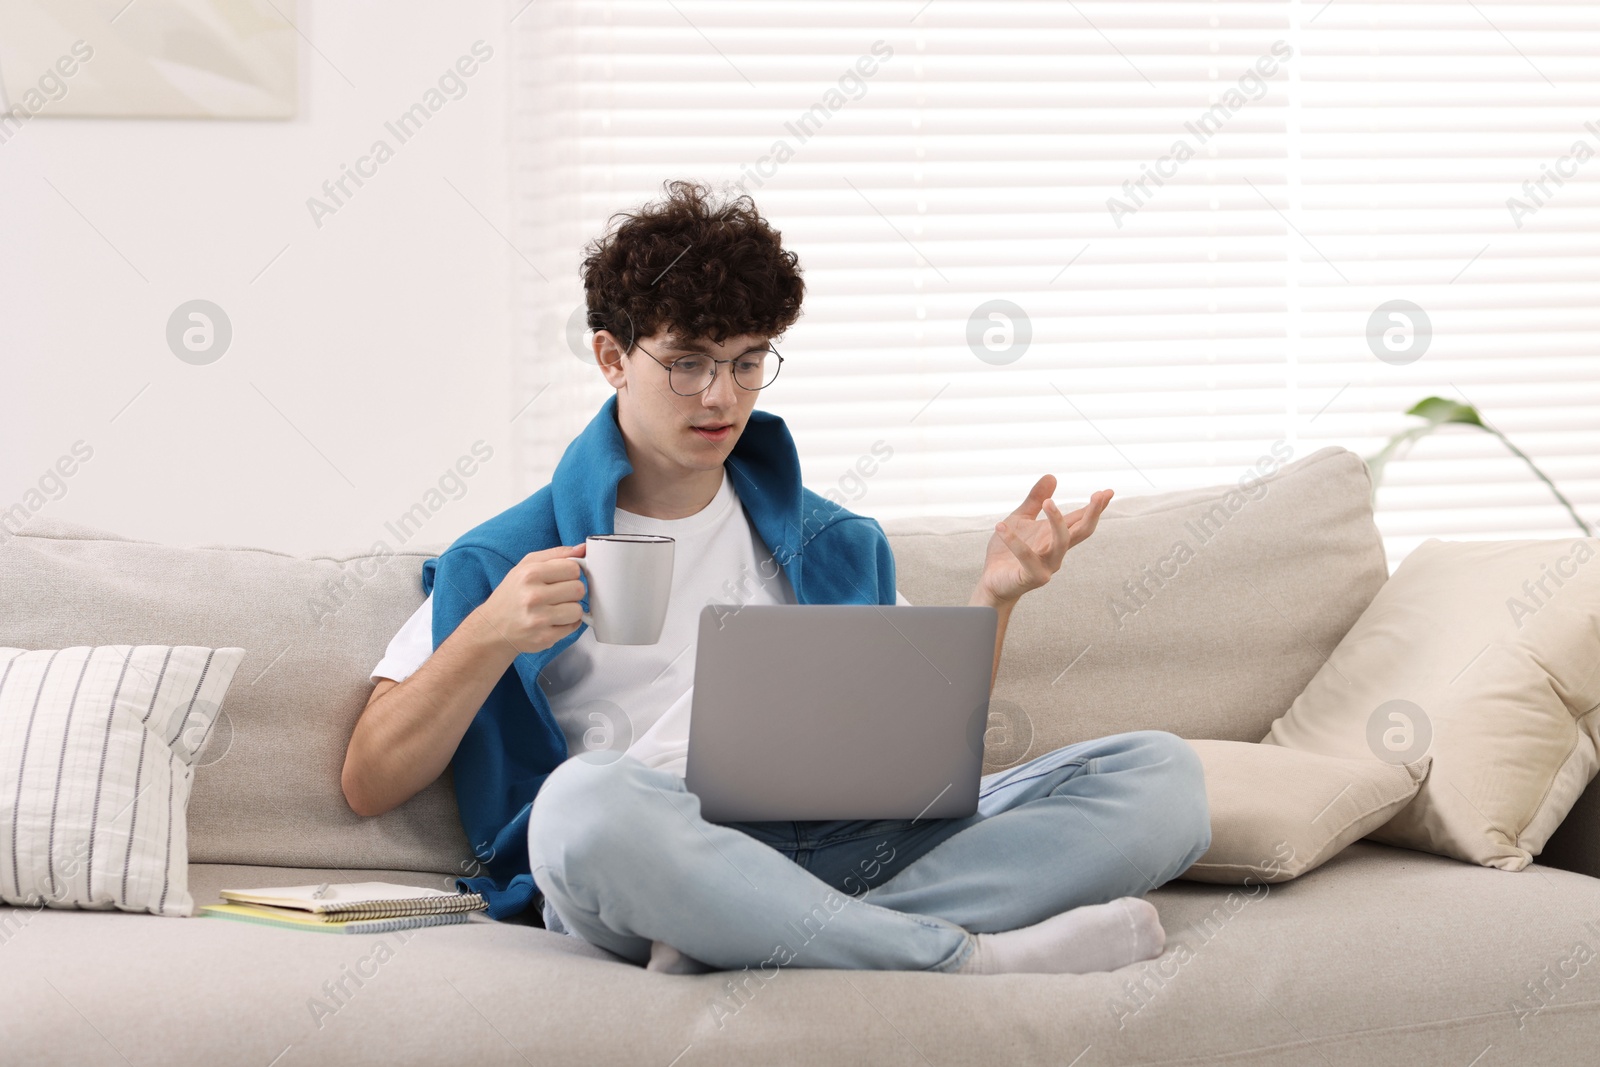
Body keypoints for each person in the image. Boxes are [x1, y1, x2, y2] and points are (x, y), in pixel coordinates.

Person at [341, 179, 1210, 976]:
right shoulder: (503, 558)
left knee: (1162, 779)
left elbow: (926, 747)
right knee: (582, 804)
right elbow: (368, 778)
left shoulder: (832, 539)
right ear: (612, 357)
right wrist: (490, 631)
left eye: (748, 360)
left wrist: (995, 597)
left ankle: (750, 933)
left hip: (848, 845)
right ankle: (960, 959)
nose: (720, 396)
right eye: (687, 362)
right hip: (649, 855)